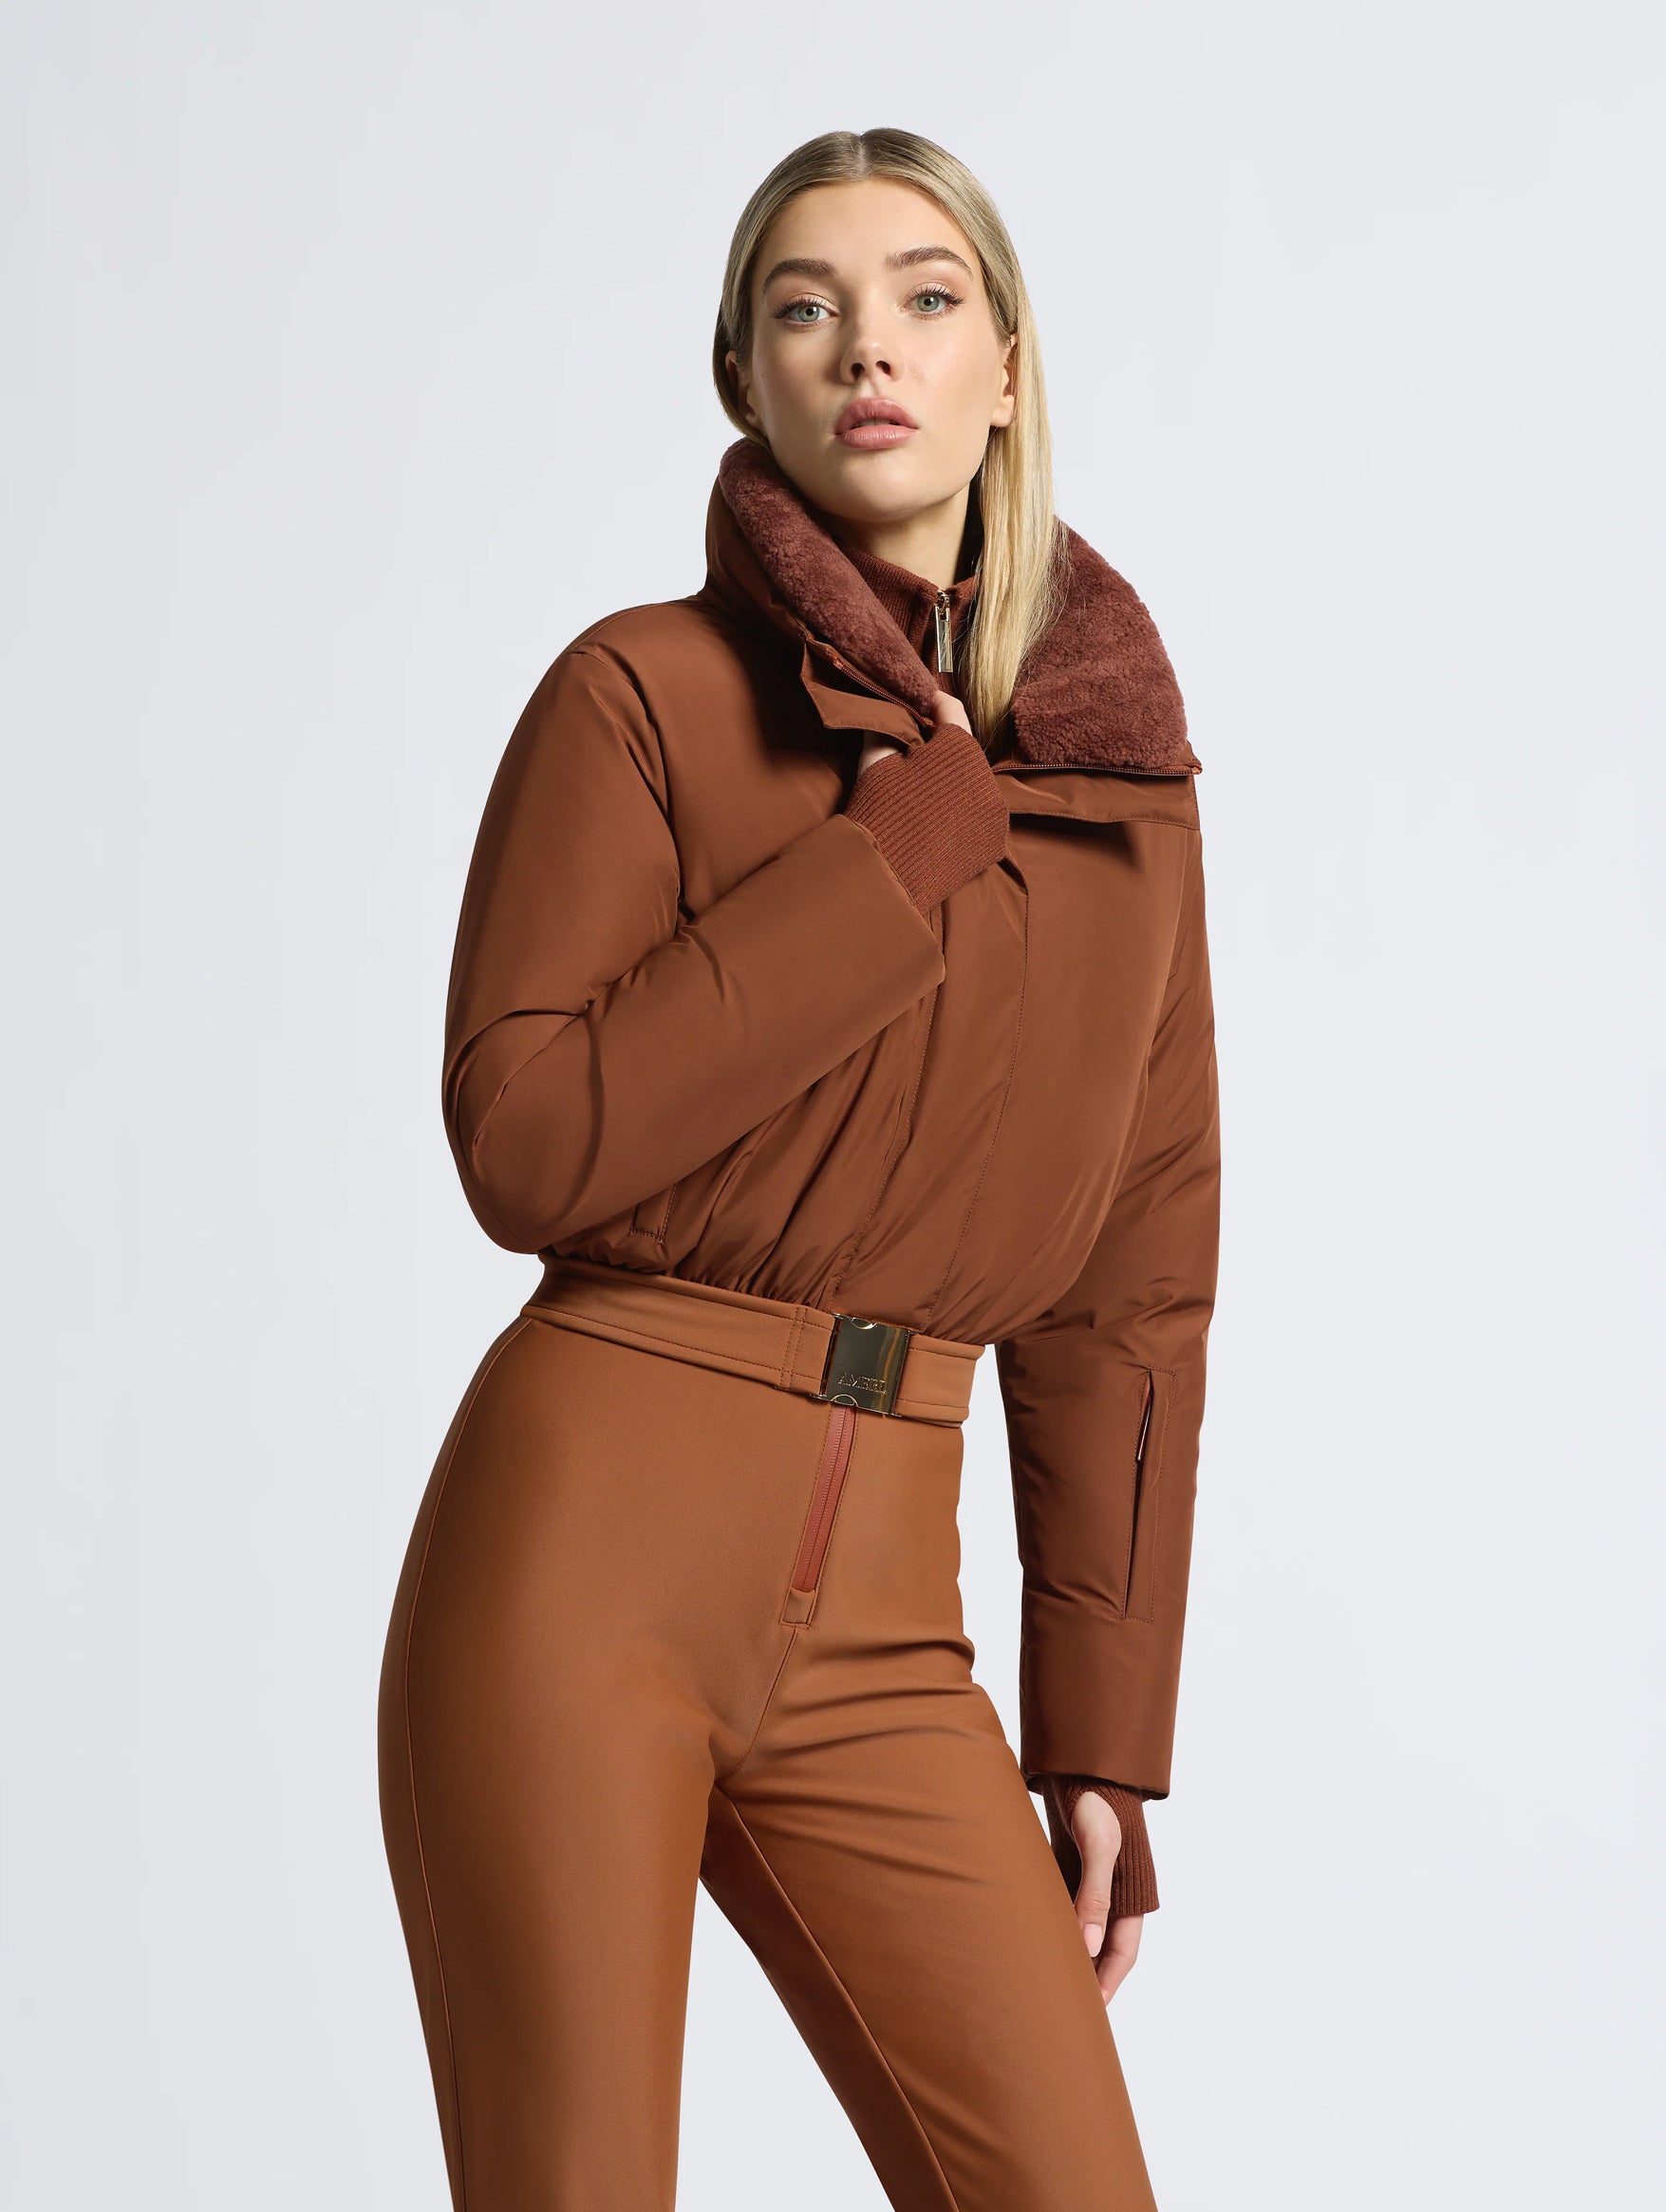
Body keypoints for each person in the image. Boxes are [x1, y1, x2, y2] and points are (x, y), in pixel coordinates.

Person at [378, 123, 1221, 2212]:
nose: (869, 347)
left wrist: (1098, 1721)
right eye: (805, 305)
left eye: (925, 298)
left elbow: (1132, 1277)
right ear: (742, 374)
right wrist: (879, 868)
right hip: (580, 1564)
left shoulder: (1120, 781)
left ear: (1005, 367)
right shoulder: (639, 696)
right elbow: (522, 1137)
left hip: (892, 1628)